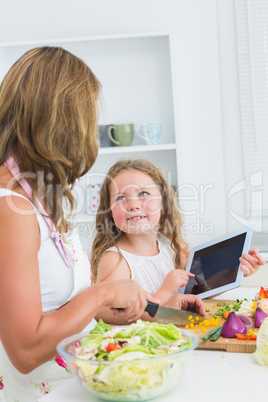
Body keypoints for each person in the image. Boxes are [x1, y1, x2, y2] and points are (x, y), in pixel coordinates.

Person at [0, 47, 165, 402]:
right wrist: (104, 292)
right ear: (63, 122)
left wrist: (132, 303)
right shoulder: (10, 207)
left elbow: (60, 308)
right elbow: (26, 351)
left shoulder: (32, 194)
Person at [91, 158, 265, 323]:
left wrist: (237, 271)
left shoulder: (170, 245)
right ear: (109, 211)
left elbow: (199, 290)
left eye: (143, 193)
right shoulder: (116, 260)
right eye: (121, 198)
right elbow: (104, 313)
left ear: (163, 203)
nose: (133, 204)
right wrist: (165, 292)